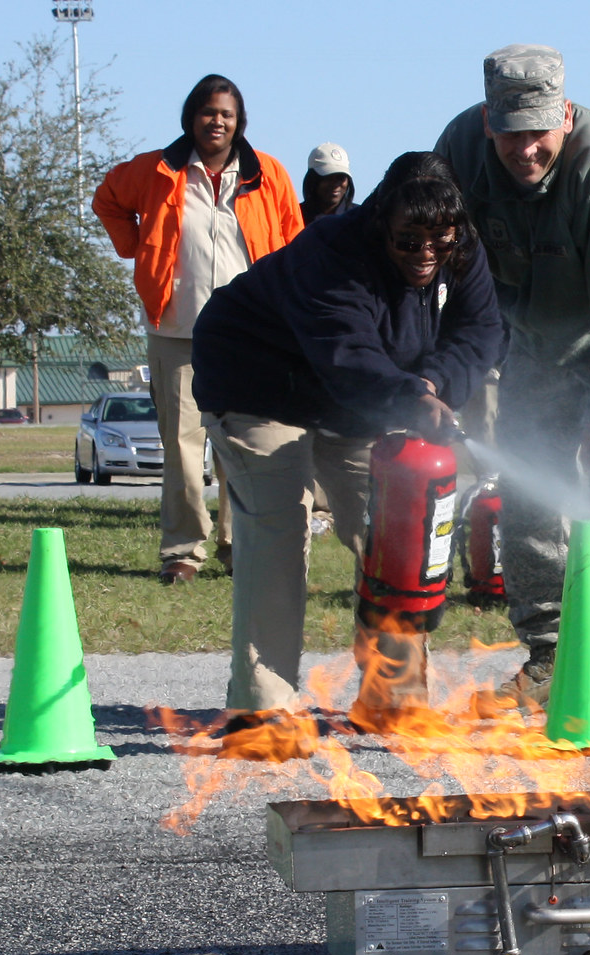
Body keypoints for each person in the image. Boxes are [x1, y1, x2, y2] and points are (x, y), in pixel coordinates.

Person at [190, 152, 503, 720]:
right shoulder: (335, 251)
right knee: (279, 531)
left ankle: (393, 696)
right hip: (260, 381)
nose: (426, 254)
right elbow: (348, 355)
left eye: (441, 239)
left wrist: (432, 382)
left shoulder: (462, 250)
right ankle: (263, 712)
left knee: (397, 528)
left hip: (358, 399)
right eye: (409, 240)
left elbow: (481, 331)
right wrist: (413, 396)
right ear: (381, 220)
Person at [436, 44, 590, 726]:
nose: (525, 149)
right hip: (539, 341)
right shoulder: (458, 151)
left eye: (539, 132)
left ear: (566, 116)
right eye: (511, 132)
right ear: (488, 123)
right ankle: (550, 658)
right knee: (528, 490)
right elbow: (439, 261)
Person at [92, 74, 303, 584]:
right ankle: (183, 551)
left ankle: (239, 545)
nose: (217, 121)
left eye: (227, 114)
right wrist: (135, 246)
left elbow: (294, 241)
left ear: (239, 121)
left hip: (247, 333)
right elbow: (107, 199)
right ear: (191, 117)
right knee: (182, 446)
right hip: (175, 329)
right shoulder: (154, 170)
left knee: (242, 443)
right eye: (209, 112)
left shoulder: (268, 173)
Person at [300, 142, 356, 224]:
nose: (335, 184)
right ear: (313, 179)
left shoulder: (360, 219)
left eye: (341, 177)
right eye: (328, 177)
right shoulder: (296, 217)